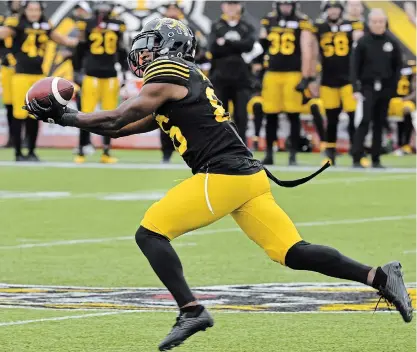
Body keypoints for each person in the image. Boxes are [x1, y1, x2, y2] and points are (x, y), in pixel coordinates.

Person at [24, 17, 412, 352]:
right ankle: (378, 276)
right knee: (292, 252)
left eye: (150, 47)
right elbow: (125, 126)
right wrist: (68, 118)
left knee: (150, 233)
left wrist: (68, 117)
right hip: (246, 179)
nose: (143, 55)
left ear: (170, 48)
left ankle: (191, 310)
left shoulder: (169, 73)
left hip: (223, 175)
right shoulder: (180, 79)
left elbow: (116, 118)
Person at [0, 0, 77, 162]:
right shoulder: (17, 22)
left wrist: (78, 42)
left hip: (38, 76)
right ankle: (18, 152)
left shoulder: (44, 24)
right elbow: (3, 33)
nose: (34, 12)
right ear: (25, 10)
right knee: (19, 114)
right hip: (20, 74)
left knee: (36, 114)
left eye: (36, 9)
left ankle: (32, 151)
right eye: (31, 9)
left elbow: (61, 39)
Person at [259, 0, 317, 166]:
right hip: (272, 73)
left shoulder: (302, 21)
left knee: (293, 115)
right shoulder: (268, 20)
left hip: (292, 74)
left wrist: (306, 76)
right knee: (270, 115)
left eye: (288, 4)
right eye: (283, 4)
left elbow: (307, 49)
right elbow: (262, 46)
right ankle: (269, 153)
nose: (285, 7)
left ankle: (293, 154)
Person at [74, 2, 128, 164]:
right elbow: (81, 48)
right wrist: (77, 71)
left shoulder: (118, 24)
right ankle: (82, 149)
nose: (103, 9)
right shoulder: (88, 23)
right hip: (91, 75)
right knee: (85, 115)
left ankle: (106, 151)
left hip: (110, 75)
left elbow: (121, 49)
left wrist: (124, 70)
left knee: (110, 116)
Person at [350, 9, 403, 168]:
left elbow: (397, 66)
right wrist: (355, 88)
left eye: (381, 21)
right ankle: (357, 156)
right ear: (369, 22)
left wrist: (393, 87)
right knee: (365, 120)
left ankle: (376, 158)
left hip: (385, 87)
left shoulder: (391, 42)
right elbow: (354, 67)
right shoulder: (363, 42)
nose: (378, 25)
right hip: (367, 86)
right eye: (375, 22)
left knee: (380, 122)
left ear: (385, 23)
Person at [314, 0, 364, 165]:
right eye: (330, 8)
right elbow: (312, 49)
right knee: (331, 118)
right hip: (328, 79)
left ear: (341, 11)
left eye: (336, 8)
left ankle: (356, 153)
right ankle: (330, 154)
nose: (333, 11)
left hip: (348, 80)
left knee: (352, 117)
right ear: (325, 10)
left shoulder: (352, 25)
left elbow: (359, 44)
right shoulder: (319, 27)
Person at [208, 0, 255, 145]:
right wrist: (237, 47)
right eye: (229, 4)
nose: (232, 8)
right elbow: (213, 48)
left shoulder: (247, 26)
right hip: (220, 78)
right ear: (223, 6)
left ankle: (241, 147)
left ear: (240, 6)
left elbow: (249, 45)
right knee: (220, 114)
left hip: (241, 79)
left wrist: (226, 43)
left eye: (234, 4)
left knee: (241, 115)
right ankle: (221, 146)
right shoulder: (216, 26)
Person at [71, 1, 93, 162]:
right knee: (83, 111)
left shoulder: (92, 29)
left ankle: (87, 143)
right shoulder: (76, 29)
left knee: (92, 112)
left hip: (93, 75)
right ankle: (84, 144)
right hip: (82, 75)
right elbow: (72, 49)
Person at [0, 0, 22, 148]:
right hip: (8, 69)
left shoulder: (26, 22)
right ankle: (13, 138)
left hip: (23, 69)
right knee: (9, 105)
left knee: (25, 105)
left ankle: (25, 138)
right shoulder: (4, 19)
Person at [390, 60, 416, 156]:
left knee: (408, 119)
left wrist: (405, 99)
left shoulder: (413, 72)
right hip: (395, 101)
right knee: (397, 122)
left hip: (407, 101)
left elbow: (415, 90)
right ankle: (398, 144)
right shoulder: (393, 70)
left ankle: (406, 145)